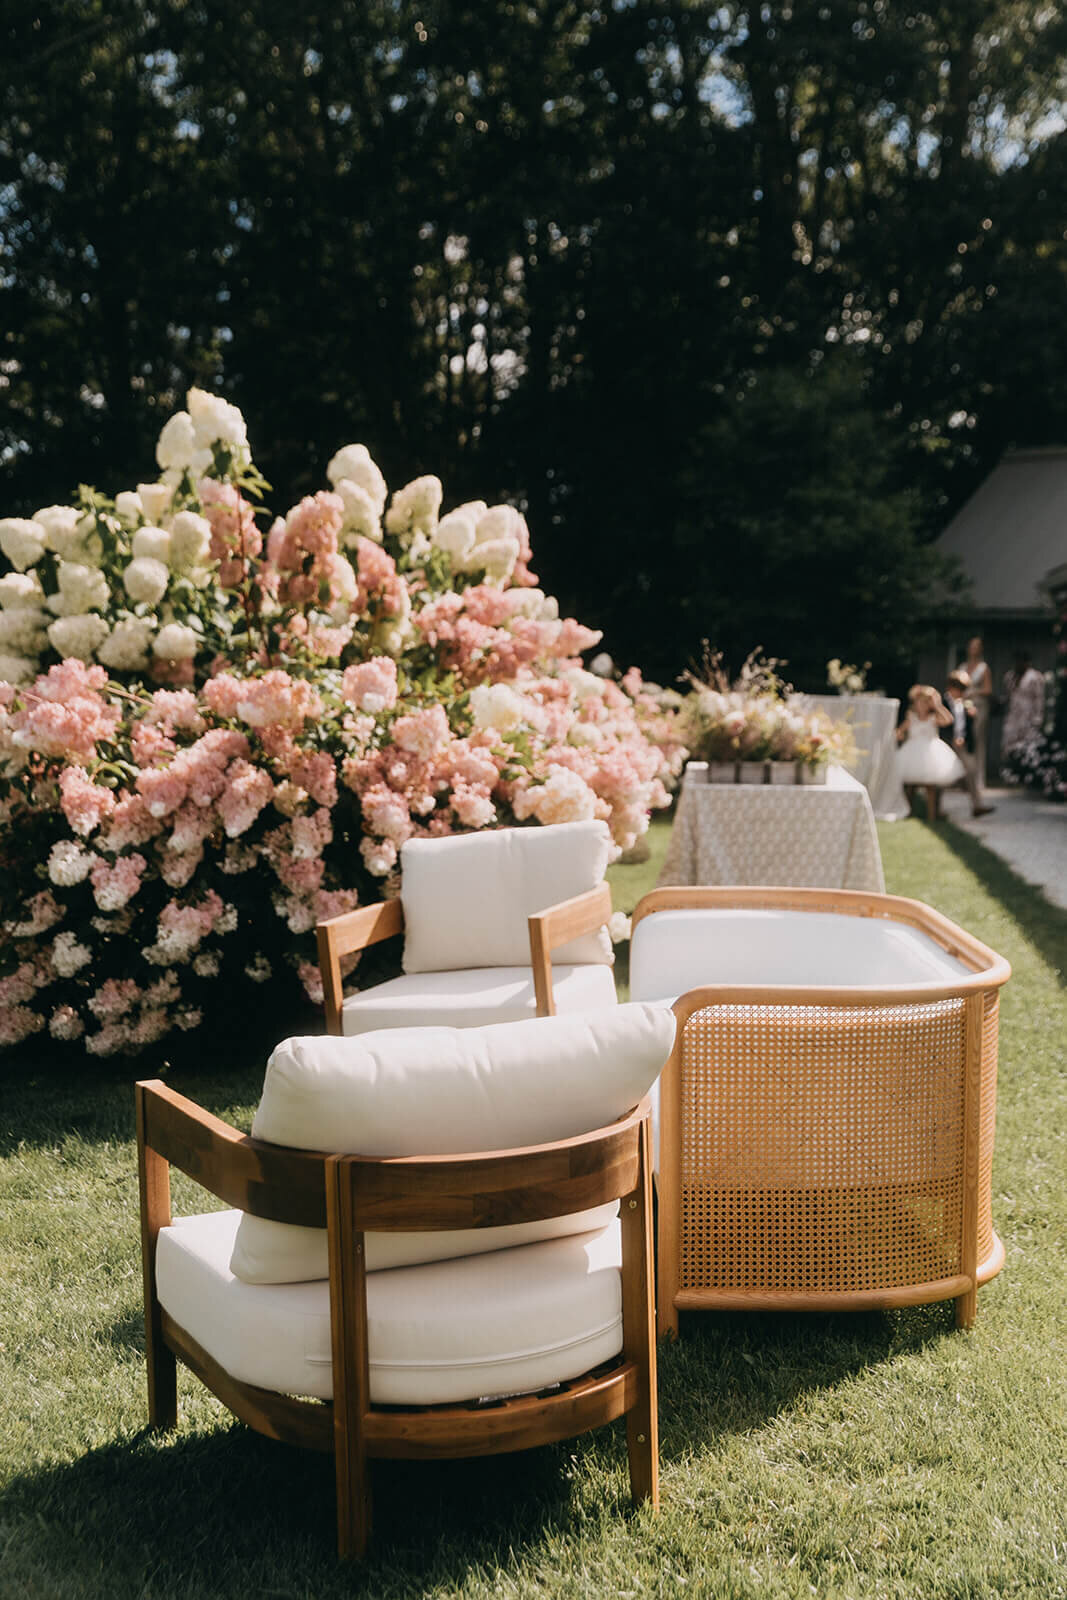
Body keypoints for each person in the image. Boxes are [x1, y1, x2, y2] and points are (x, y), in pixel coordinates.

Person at [895, 684, 963, 820]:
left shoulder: (933, 718)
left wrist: (937, 705)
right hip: (912, 755)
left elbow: (949, 720)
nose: (922, 706)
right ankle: (907, 813)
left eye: (926, 703)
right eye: (919, 702)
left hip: (931, 755)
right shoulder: (911, 718)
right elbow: (899, 732)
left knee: (930, 787)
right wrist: (899, 735)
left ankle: (932, 815)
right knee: (910, 787)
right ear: (915, 703)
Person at [943, 672, 994, 817]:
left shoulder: (964, 704)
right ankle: (936, 807)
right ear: (951, 688)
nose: (963, 693)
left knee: (971, 771)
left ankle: (977, 805)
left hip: (963, 744)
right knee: (941, 775)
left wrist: (972, 716)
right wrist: (952, 738)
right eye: (960, 689)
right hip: (947, 743)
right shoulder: (942, 702)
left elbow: (965, 725)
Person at [1001, 652, 1046, 757]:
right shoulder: (1010, 676)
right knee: (1009, 744)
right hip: (1013, 716)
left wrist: (1038, 718)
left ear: (1027, 663)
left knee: (1028, 746)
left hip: (1029, 716)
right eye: (1016, 662)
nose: (1018, 664)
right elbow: (1008, 695)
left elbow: (1039, 698)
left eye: (1021, 662)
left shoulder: (1035, 677)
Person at [962, 636, 992, 781]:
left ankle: (978, 777)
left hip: (979, 706)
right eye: (971, 646)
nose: (973, 649)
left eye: (977, 646)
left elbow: (988, 690)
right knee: (962, 737)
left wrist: (973, 692)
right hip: (963, 705)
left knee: (977, 738)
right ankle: (963, 776)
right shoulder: (962, 667)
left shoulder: (983, 668)